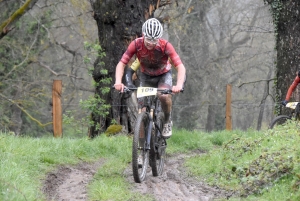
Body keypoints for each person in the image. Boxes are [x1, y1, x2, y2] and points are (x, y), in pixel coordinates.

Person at [114, 18, 186, 138]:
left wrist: (179, 85)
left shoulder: (166, 46)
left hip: (163, 75)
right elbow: (122, 63)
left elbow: (180, 67)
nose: (151, 43)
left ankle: (167, 121)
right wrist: (118, 81)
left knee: (163, 96)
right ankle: (142, 149)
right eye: (148, 39)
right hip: (146, 76)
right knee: (141, 110)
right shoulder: (136, 44)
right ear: (143, 35)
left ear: (159, 38)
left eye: (154, 40)